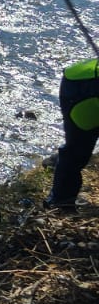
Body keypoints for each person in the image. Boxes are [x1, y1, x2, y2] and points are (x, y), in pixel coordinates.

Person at [47, 58, 99, 211]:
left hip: (81, 80)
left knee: (77, 150)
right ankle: (60, 204)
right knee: (77, 151)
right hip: (82, 88)